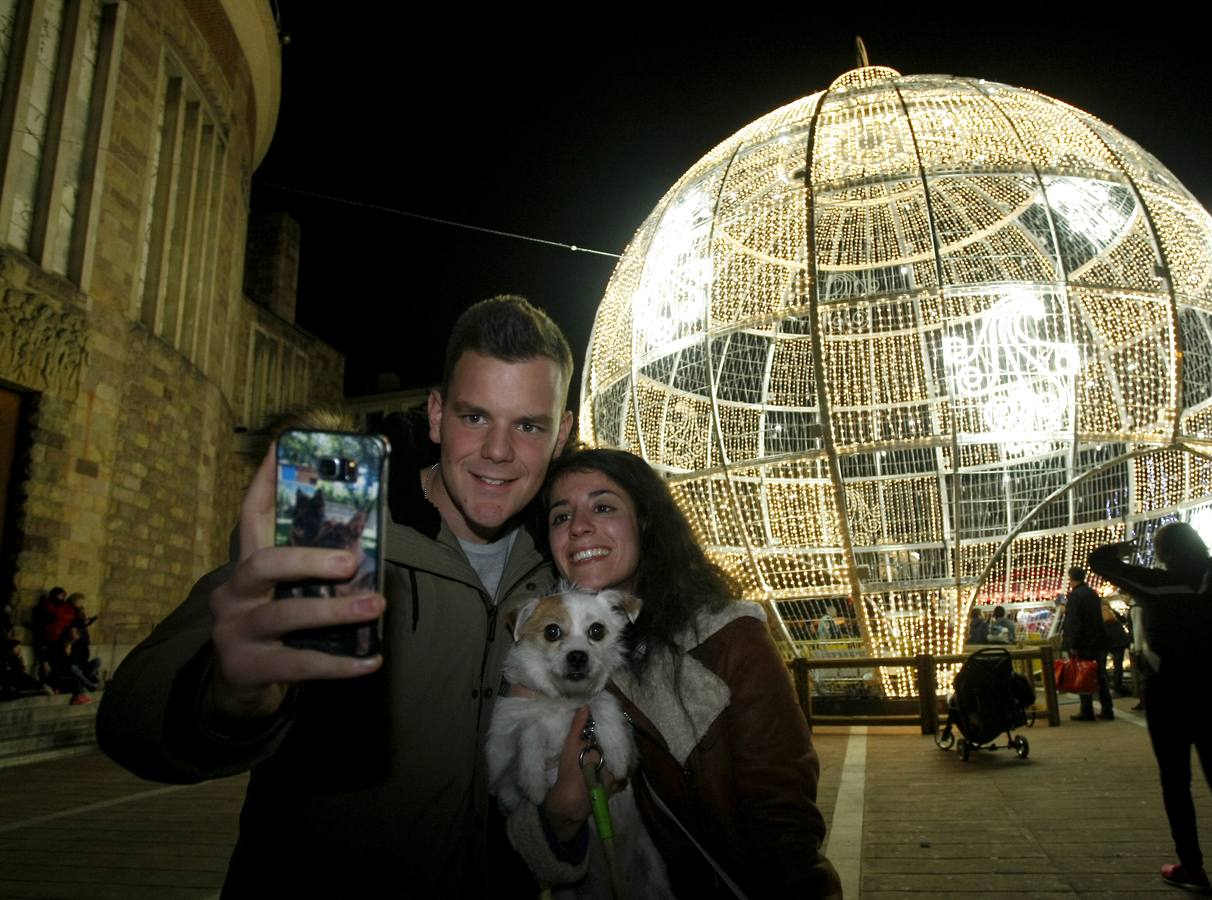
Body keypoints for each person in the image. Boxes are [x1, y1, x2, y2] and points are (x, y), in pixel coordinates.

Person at [97, 296, 575, 895]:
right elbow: (128, 718)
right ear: (434, 415)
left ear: (563, 434)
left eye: (528, 425)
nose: (499, 451)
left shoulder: (566, 565)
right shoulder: (331, 517)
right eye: (474, 417)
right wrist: (226, 697)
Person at [520, 448, 842, 899]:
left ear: (646, 522)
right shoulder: (538, 662)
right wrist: (561, 816)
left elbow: (783, 827)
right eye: (560, 516)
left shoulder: (730, 641)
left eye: (604, 506)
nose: (578, 527)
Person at [1090, 524, 1212, 900]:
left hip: (1170, 693)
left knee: (1176, 784)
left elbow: (1098, 561)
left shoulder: (1158, 584)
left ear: (1164, 553)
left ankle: (1192, 867)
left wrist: (1122, 549)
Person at [1063, 566, 1113, 721]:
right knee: (1100, 676)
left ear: (1071, 578)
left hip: (1084, 643)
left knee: (1083, 676)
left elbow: (1075, 622)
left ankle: (1087, 710)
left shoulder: (1075, 596)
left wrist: (1074, 644)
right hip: (1098, 641)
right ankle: (1107, 709)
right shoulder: (1092, 593)